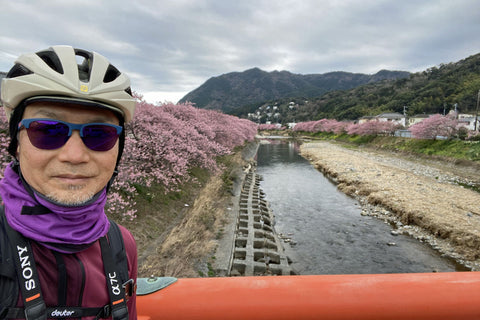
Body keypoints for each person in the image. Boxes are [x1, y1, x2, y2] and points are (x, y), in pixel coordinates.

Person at [0, 45, 138, 319]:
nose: (74, 156)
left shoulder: (122, 245)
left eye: (100, 134)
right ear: (16, 145)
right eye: (47, 131)